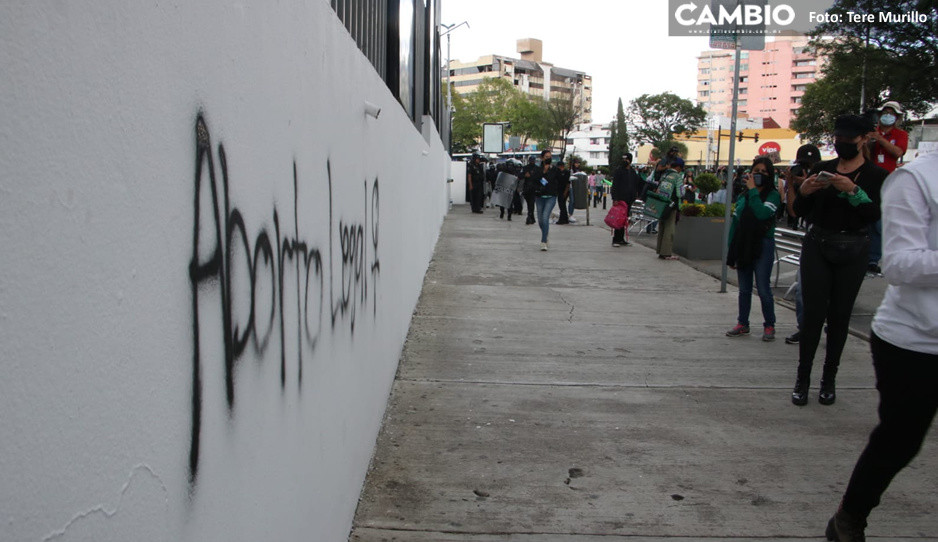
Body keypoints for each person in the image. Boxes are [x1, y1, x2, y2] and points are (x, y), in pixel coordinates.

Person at [823, 150, 938, 541]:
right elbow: (899, 263)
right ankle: (850, 517)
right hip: (916, 340)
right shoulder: (917, 179)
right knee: (900, 440)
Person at [790, 114, 888, 406]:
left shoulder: (876, 176)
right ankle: (802, 379)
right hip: (818, 243)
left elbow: (874, 215)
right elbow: (802, 212)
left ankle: (828, 379)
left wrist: (854, 191)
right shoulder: (823, 169)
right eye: (838, 139)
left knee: (839, 317)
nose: (842, 144)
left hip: (854, 248)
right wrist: (804, 191)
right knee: (812, 314)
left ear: (863, 140)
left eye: (848, 139)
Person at [725, 157, 782, 341]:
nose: (759, 174)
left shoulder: (772, 196)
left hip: (762, 244)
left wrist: (754, 192)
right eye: (756, 170)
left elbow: (762, 214)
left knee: (763, 288)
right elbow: (736, 223)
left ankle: (769, 325)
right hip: (743, 244)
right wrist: (731, 251)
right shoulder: (743, 196)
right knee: (744, 289)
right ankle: (743, 323)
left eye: (764, 172)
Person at [783, 144, 821, 345]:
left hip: (831, 239)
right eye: (802, 166)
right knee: (802, 290)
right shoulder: (800, 186)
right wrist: (792, 184)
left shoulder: (826, 180)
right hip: (812, 239)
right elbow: (793, 212)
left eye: (810, 166)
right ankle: (804, 329)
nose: (805, 170)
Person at [866, 101, 910, 276]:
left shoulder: (900, 134)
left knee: (879, 223)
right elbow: (865, 155)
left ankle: (873, 259)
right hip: (870, 179)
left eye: (892, 113)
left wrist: (881, 139)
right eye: (885, 112)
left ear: (897, 117)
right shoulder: (870, 132)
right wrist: (869, 141)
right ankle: (863, 255)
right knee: (866, 219)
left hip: (888, 182)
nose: (887, 115)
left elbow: (898, 152)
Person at [655, 157, 685, 260]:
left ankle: (660, 250)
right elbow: (680, 193)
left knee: (662, 227)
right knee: (669, 229)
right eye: (681, 168)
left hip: (662, 204)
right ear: (678, 167)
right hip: (672, 206)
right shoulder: (677, 176)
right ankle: (666, 253)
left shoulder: (664, 175)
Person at [611, 153, 642, 247]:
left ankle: (621, 239)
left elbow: (637, 183)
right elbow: (615, 185)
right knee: (619, 219)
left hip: (629, 199)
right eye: (623, 159)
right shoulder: (619, 171)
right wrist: (615, 198)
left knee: (625, 219)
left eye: (626, 159)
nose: (624, 161)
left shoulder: (632, 172)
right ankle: (616, 239)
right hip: (620, 199)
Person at [534, 149, 559, 251]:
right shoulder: (538, 169)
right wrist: (543, 170)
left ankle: (543, 241)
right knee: (540, 220)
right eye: (546, 157)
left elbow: (555, 180)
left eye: (550, 157)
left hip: (551, 196)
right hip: (539, 197)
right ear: (542, 158)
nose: (549, 159)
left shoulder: (554, 169)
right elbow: (535, 180)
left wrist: (548, 170)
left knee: (545, 218)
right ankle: (545, 232)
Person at [521, 156, 538, 225]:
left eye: (533, 161)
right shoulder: (525, 168)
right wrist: (524, 175)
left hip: (534, 189)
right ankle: (532, 217)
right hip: (527, 189)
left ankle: (529, 216)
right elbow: (520, 176)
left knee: (531, 203)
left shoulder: (537, 169)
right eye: (531, 161)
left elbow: (541, 178)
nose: (532, 162)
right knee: (529, 204)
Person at [555, 160, 571, 224]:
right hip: (559, 190)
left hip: (564, 191)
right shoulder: (558, 173)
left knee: (562, 206)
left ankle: (563, 219)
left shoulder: (566, 172)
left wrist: (565, 192)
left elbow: (568, 183)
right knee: (562, 205)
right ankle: (564, 219)